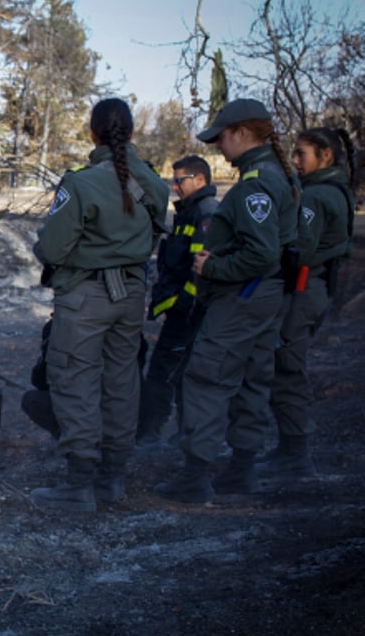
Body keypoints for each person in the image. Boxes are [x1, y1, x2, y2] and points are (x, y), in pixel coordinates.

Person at [155, 98, 300, 503]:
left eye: (221, 137)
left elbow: (261, 252)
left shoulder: (256, 184)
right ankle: (241, 469)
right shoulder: (273, 174)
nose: (218, 146)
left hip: (244, 294)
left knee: (206, 376)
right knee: (252, 376)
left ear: (241, 133)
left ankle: (195, 475)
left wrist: (213, 267)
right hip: (265, 294)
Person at [30, 98, 170, 512]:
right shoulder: (154, 183)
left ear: (93, 133)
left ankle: (78, 484)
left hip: (85, 297)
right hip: (131, 295)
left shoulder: (81, 183)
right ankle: (112, 479)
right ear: (130, 133)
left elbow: (52, 247)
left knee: (76, 382)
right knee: (122, 384)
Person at [261, 127, 356, 478]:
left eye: (302, 153)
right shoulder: (337, 191)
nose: (295, 160)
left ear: (325, 155)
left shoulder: (317, 196)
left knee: (287, 367)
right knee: (287, 364)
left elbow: (301, 247)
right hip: (314, 288)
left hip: (303, 289)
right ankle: (290, 449)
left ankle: (295, 452)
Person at [135, 156, 220, 450]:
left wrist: (184, 304)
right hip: (181, 310)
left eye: (179, 180)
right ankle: (183, 434)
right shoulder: (188, 212)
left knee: (162, 371)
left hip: (190, 313)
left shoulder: (206, 213)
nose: (174, 186)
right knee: (180, 372)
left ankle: (151, 435)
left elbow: (200, 269)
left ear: (200, 180)